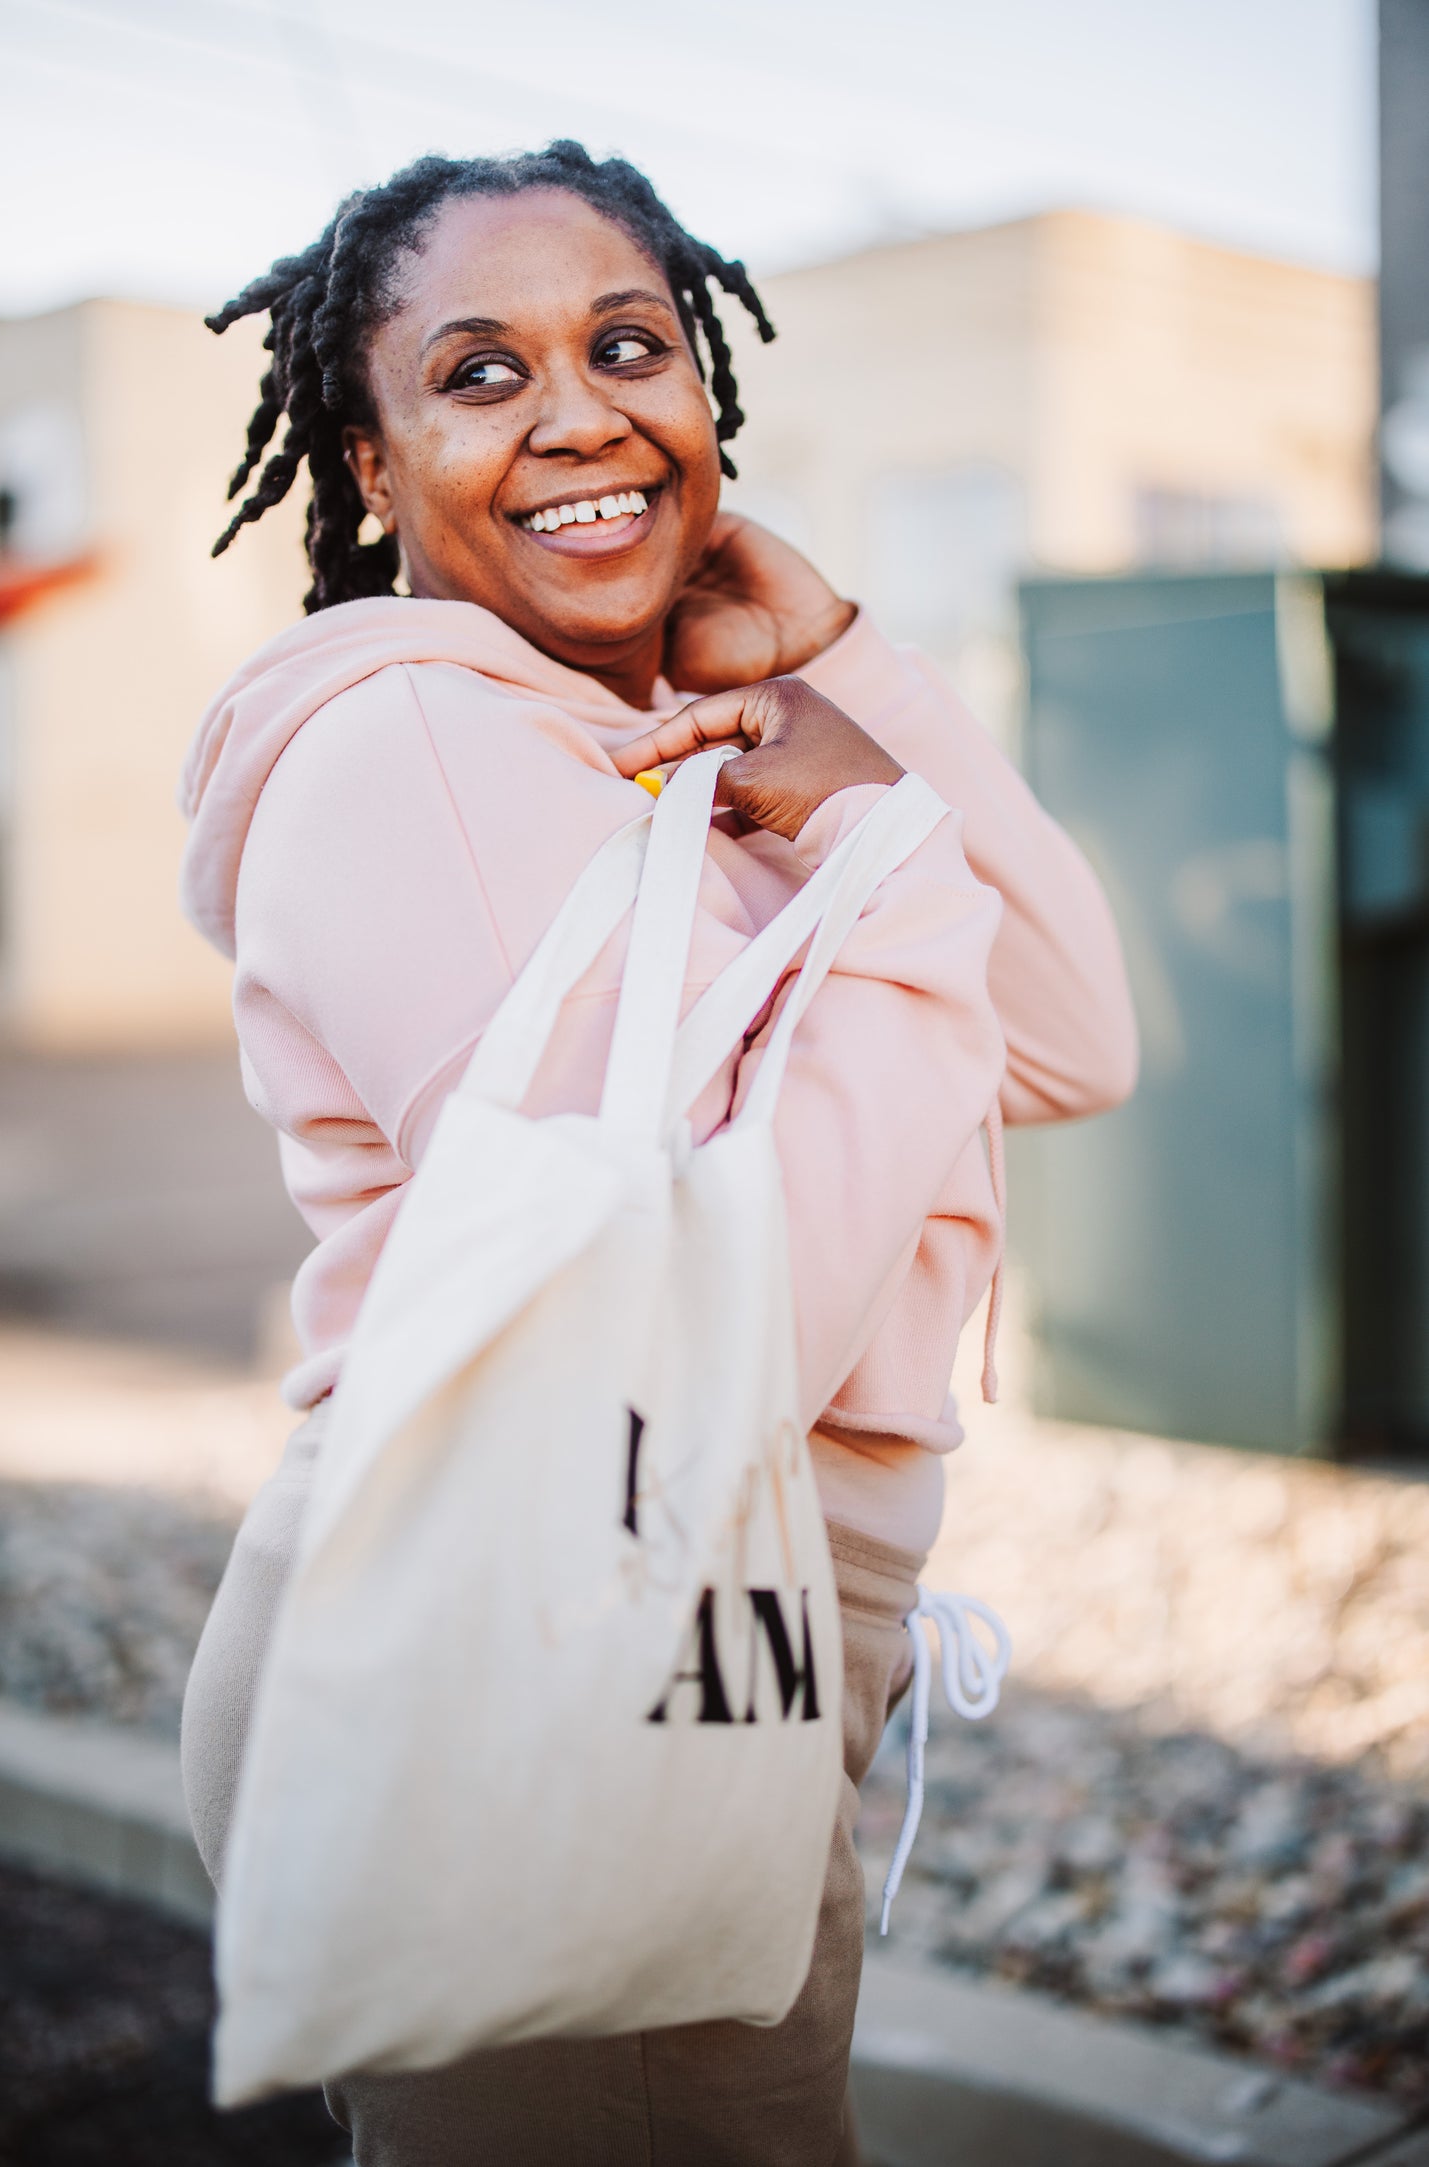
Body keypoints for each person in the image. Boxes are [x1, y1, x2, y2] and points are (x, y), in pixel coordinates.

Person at [177, 142, 1136, 2167]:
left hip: (682, 1627)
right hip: (549, 1655)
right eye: (480, 374)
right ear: (368, 466)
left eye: (631, 345)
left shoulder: (657, 749)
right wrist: (868, 843)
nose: (583, 413)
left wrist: (838, 662)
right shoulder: (422, 745)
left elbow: (1063, 1031)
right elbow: (703, 1330)